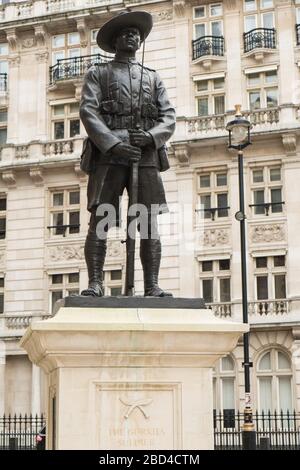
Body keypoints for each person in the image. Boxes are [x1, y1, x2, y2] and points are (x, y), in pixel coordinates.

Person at [79, 10, 176, 297]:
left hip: (145, 155)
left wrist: (150, 136)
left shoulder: (153, 78)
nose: (132, 36)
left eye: (136, 33)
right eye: (126, 33)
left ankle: (151, 285)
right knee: (101, 219)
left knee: (148, 222)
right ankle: (95, 282)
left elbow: (168, 117)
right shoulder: (99, 73)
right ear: (116, 40)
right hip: (109, 155)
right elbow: (88, 110)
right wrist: (111, 142)